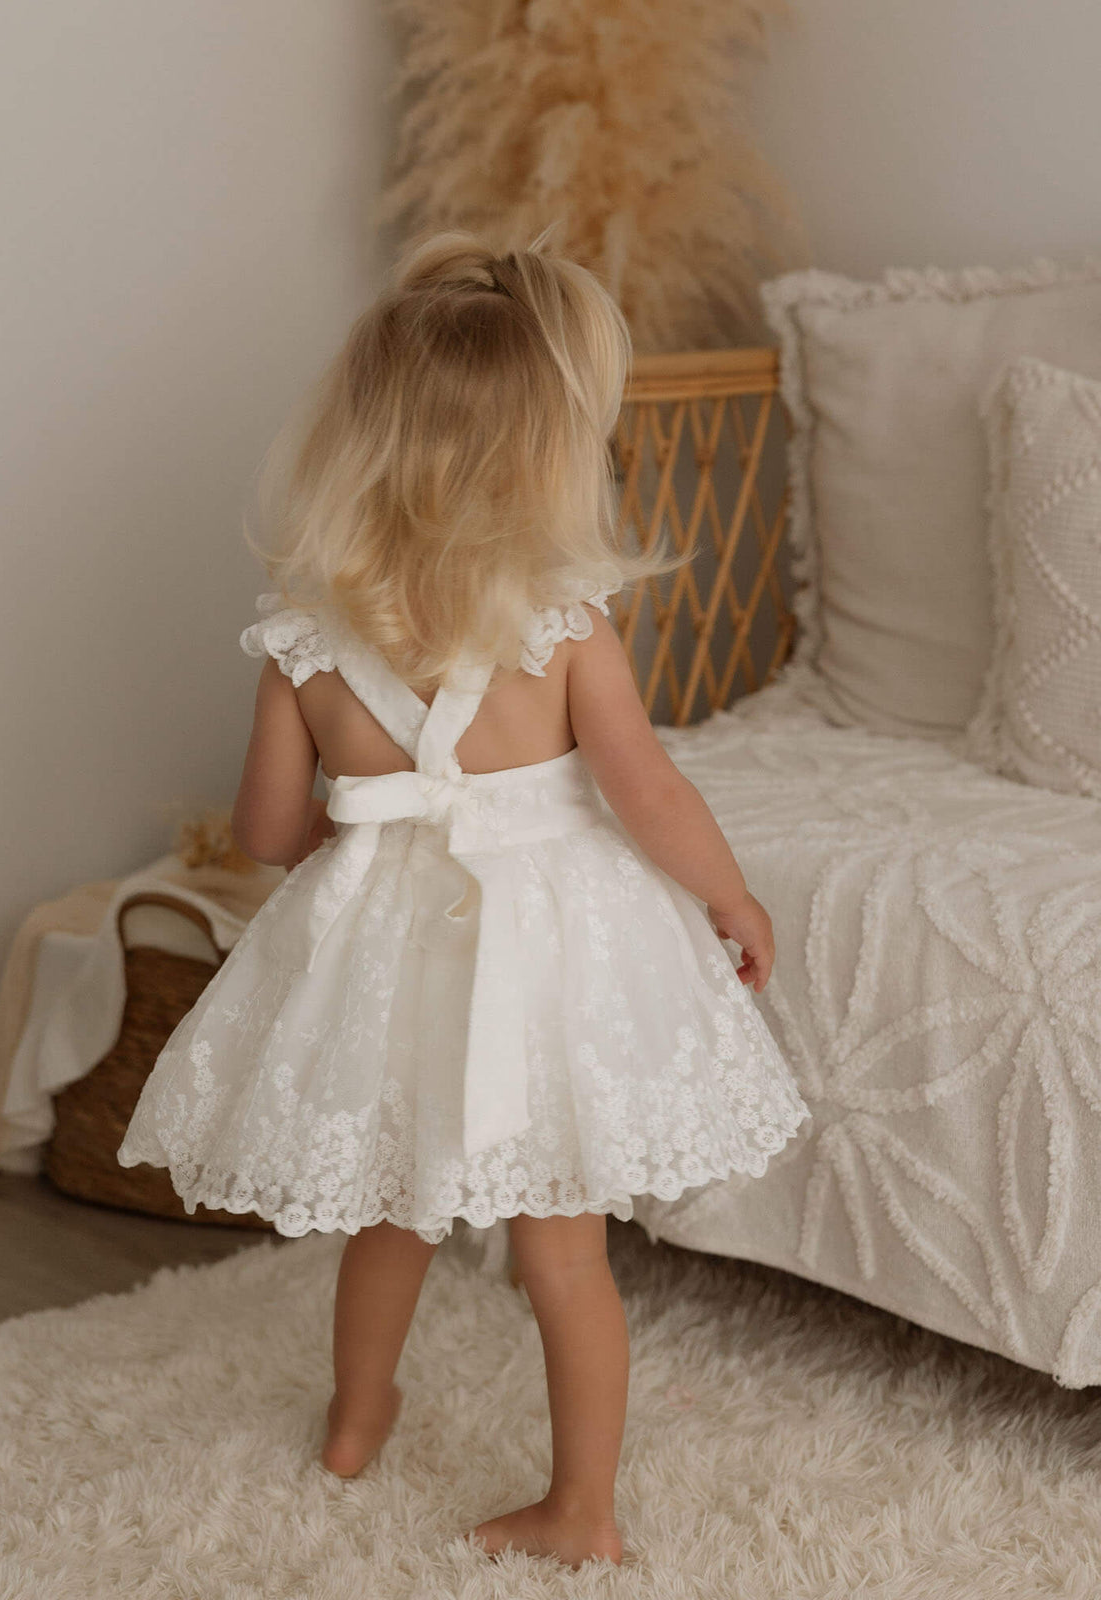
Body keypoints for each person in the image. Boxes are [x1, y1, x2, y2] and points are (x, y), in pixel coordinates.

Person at [117, 227, 812, 1570]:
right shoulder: (563, 625)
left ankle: (354, 1421)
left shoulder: (303, 633)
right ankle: (582, 1512)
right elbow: (647, 794)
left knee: (392, 1208)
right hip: (543, 953)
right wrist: (728, 897)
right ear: (552, 450)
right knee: (565, 1253)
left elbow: (268, 830)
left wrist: (361, 852)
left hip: (393, 948)